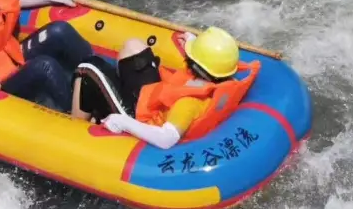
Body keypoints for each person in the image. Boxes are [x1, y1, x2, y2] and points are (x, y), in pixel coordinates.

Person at [70, 26, 260, 149]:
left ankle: (73, 126)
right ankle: (105, 99)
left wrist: (123, 122)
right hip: (152, 99)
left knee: (89, 67)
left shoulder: (189, 103)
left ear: (197, 65)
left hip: (139, 117)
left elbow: (166, 139)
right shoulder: (220, 78)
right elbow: (212, 64)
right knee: (133, 46)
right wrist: (194, 43)